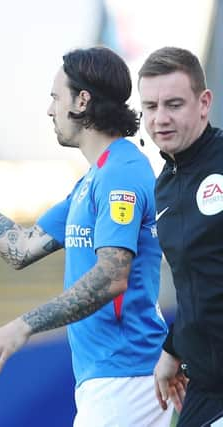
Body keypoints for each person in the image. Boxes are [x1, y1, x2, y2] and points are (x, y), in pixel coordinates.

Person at [0, 47, 171, 426]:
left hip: (127, 378)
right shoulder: (92, 180)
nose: (50, 110)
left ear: (82, 101)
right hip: (109, 381)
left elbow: (112, 276)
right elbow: (19, 248)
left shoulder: (123, 171)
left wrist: (23, 326)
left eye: (55, 97)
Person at [139, 46, 223, 427]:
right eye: (151, 107)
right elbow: (199, 285)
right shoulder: (165, 187)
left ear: (204, 103)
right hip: (204, 384)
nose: (160, 119)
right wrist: (173, 350)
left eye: (174, 104)